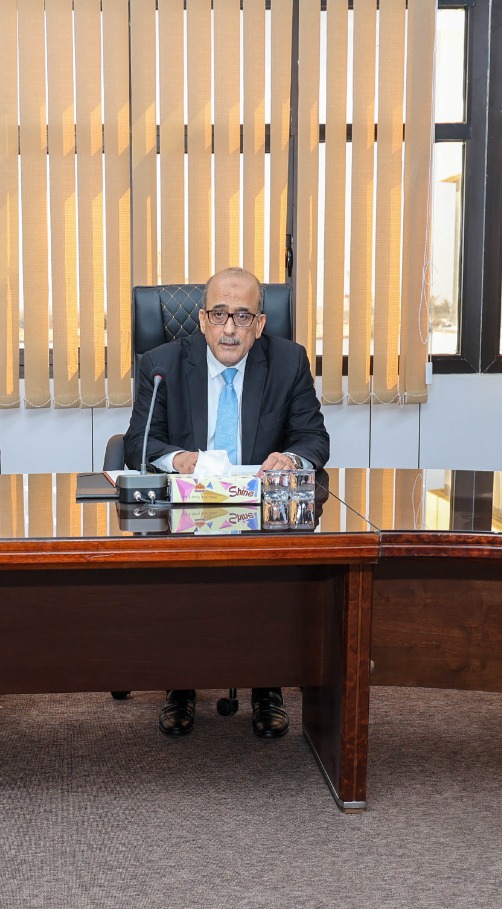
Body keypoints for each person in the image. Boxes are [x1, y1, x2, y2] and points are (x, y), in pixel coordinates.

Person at [122, 266, 331, 740]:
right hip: (191, 508)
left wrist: (291, 458)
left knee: (275, 568)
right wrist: (177, 459)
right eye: (218, 315)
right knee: (179, 569)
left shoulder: (289, 362)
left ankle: (267, 685)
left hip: (259, 508)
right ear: (201, 320)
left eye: (242, 316)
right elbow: (139, 443)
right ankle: (180, 684)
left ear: (260, 324)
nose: (230, 329)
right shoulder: (162, 364)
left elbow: (314, 438)